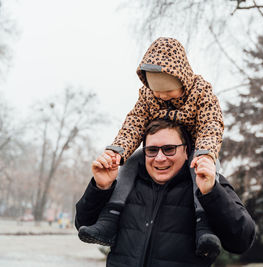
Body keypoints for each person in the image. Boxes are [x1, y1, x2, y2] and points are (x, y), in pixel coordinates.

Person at [78, 37, 225, 259]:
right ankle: (109, 219)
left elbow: (211, 123)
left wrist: (206, 153)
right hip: (158, 146)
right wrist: (117, 151)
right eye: (157, 92)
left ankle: (203, 225)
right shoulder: (148, 96)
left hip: (195, 151)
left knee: (200, 173)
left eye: (168, 92)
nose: (162, 97)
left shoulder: (201, 93)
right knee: (130, 164)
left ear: (182, 81)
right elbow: (135, 122)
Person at [75, 120, 255, 267]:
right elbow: (83, 224)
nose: (160, 158)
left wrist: (211, 192)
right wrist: (100, 187)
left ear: (186, 151)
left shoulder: (207, 181)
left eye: (169, 149)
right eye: (152, 150)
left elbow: (241, 240)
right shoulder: (124, 183)